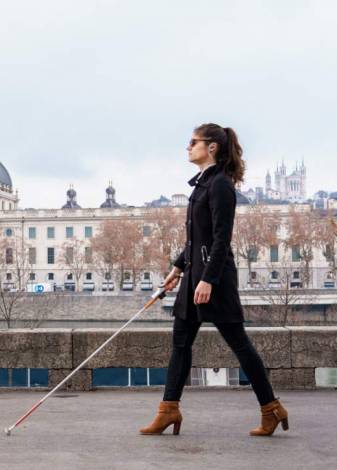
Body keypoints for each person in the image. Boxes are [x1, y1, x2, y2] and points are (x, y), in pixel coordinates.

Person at [138, 123, 289, 437]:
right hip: (195, 276)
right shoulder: (203, 184)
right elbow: (197, 239)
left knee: (240, 345)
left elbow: (221, 240)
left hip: (214, 281)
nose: (188, 147)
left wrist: (207, 280)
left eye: (193, 142)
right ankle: (168, 410)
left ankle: (271, 408)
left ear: (212, 148)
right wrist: (178, 268)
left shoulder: (221, 185)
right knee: (180, 344)